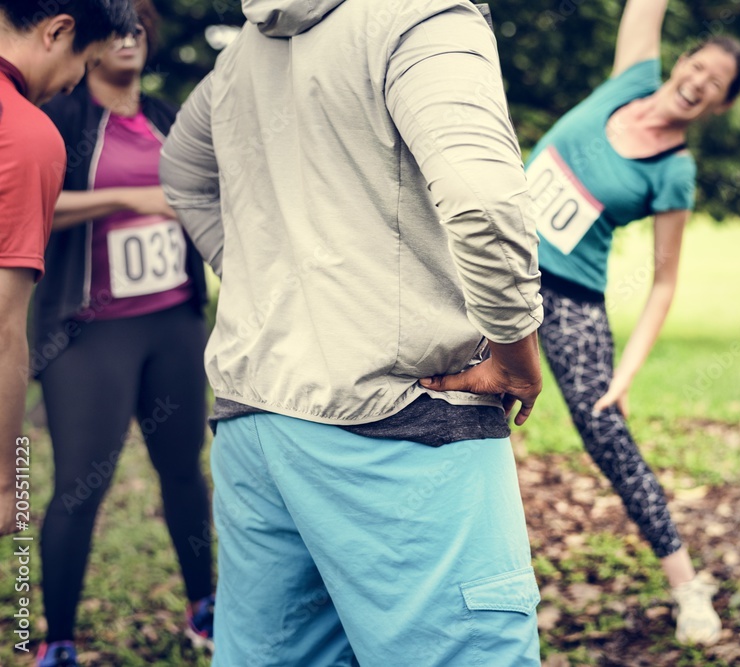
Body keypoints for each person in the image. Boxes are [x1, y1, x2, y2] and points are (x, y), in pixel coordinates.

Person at [159, 0, 544, 664]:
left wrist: (276, 291)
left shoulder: (241, 56)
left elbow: (182, 173)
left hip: (259, 430)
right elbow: (483, 197)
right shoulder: (423, 16)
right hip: (401, 422)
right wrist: (514, 351)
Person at [524, 0, 740, 645]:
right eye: (699, 65)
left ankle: (686, 587)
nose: (700, 80)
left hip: (570, 296)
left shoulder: (675, 172)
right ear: (682, 61)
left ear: (719, 104)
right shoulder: (630, 78)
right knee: (447, 393)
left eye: (716, 83)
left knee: (607, 435)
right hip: (494, 259)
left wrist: (626, 370)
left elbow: (665, 281)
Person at [30, 2, 214, 665]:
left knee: (185, 472)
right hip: (89, 332)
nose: (131, 40)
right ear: (92, 40)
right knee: (80, 485)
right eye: (118, 29)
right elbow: (32, 206)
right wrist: (128, 199)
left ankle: (205, 607)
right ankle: (55, 639)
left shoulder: (168, 118)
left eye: (140, 28)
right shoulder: (63, 117)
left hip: (174, 321)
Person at [0, 0, 136, 543]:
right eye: (86, 62)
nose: (76, 82)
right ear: (58, 32)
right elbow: (3, 330)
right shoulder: (25, 136)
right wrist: (7, 483)